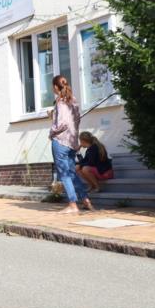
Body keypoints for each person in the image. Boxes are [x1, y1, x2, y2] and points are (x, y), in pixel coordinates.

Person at [49, 75, 93, 214]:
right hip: (72, 142)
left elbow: (62, 123)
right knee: (72, 173)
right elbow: (76, 121)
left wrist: (52, 131)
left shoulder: (60, 102)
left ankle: (72, 204)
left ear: (56, 87)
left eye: (53, 86)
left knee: (65, 174)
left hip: (61, 141)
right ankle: (86, 201)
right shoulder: (73, 101)